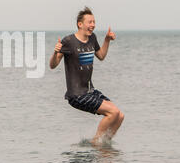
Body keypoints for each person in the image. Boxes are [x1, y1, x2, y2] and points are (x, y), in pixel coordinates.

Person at [49, 7, 124, 145]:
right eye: (90, 22)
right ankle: (96, 144)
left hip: (90, 90)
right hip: (77, 94)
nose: (93, 25)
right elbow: (52, 65)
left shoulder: (92, 38)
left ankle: (105, 144)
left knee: (119, 115)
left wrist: (107, 40)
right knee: (112, 113)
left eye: (94, 22)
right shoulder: (69, 41)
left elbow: (101, 56)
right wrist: (55, 53)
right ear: (80, 24)